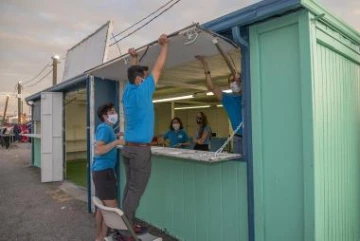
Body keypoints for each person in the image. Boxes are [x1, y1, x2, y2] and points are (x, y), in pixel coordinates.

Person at [121, 34, 168, 233]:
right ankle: (124, 229)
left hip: (128, 149)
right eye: (144, 76)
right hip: (140, 152)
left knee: (130, 188)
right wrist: (164, 46)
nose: (146, 77)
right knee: (135, 190)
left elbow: (133, 73)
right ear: (140, 79)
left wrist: (134, 58)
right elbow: (158, 67)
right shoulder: (143, 90)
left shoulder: (128, 92)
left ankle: (125, 224)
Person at [196, 56, 243, 155]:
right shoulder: (227, 99)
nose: (234, 83)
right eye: (231, 81)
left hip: (253, 136)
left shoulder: (249, 95)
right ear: (228, 85)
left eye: (236, 80)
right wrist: (206, 66)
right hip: (238, 139)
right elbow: (211, 86)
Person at [92, 103, 124, 241]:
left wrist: (116, 135)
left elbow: (105, 141)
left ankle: (99, 237)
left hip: (100, 172)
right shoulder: (105, 128)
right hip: (104, 173)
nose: (114, 114)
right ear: (105, 116)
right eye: (111, 112)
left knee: (101, 207)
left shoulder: (107, 129)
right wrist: (117, 142)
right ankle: (102, 237)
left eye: (114, 111)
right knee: (112, 209)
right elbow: (99, 150)